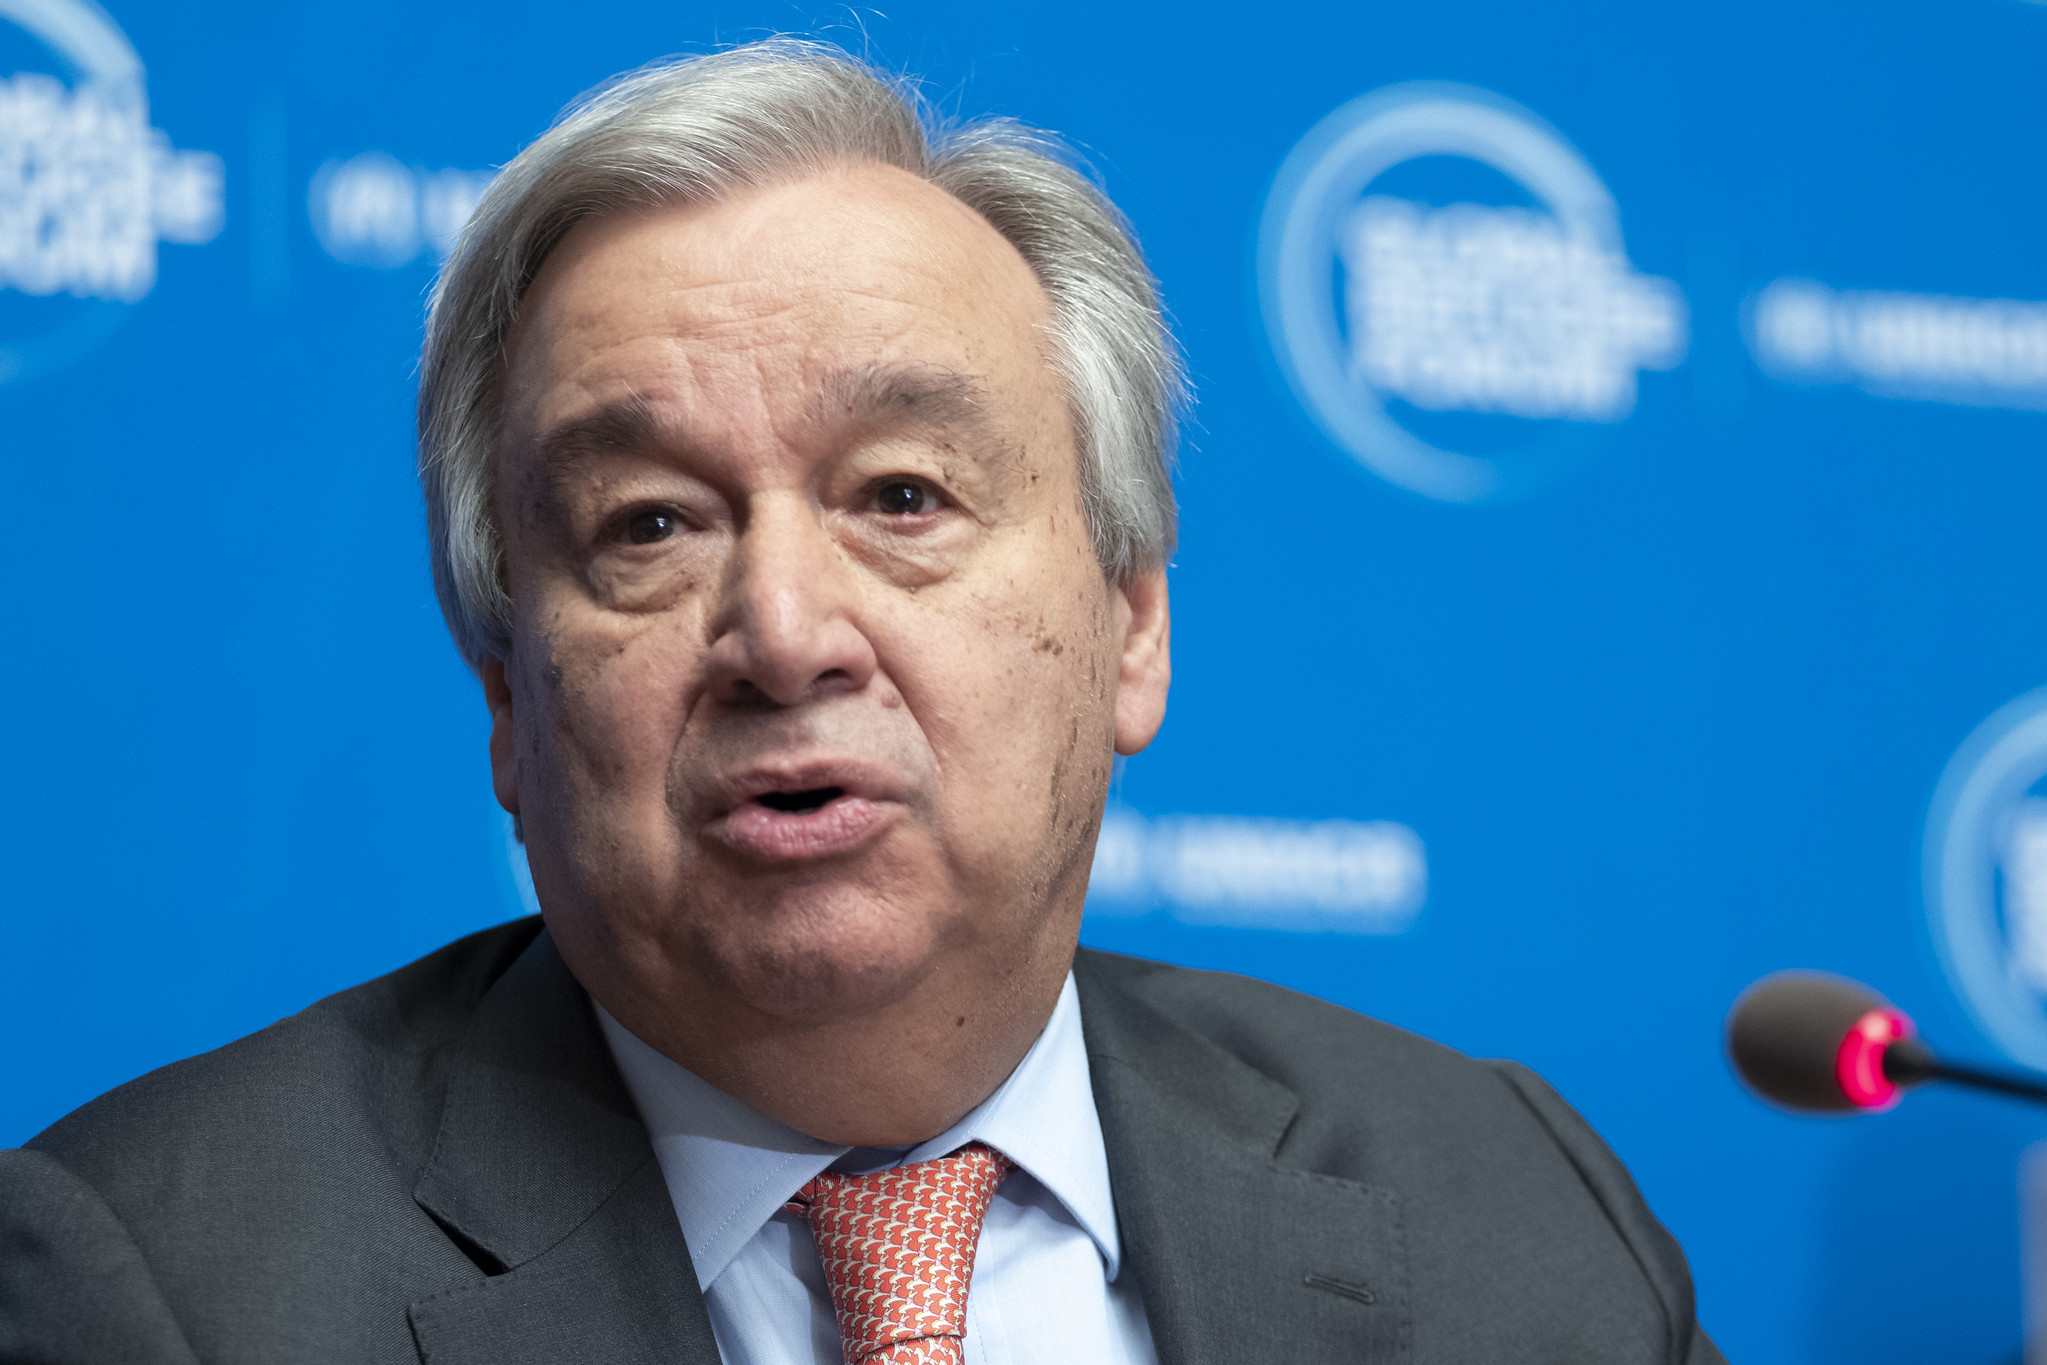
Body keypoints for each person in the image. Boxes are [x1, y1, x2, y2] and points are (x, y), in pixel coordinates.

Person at [0, 40, 1724, 1365]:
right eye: (651, 525)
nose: (785, 629)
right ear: (508, 697)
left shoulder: (1508, 1214)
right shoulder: (164, 1281)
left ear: (1131, 623)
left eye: (903, 496)